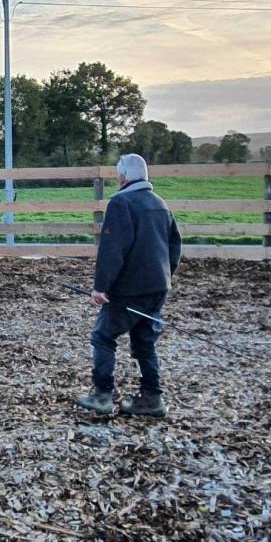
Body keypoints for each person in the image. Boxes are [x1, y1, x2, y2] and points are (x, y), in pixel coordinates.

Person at [78, 154, 182, 417]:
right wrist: (165, 276)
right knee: (145, 342)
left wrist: (101, 287)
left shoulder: (121, 203)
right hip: (158, 287)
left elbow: (113, 249)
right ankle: (152, 398)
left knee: (103, 336)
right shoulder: (160, 203)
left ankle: (101, 395)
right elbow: (174, 246)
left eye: (118, 174)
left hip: (129, 290)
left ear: (124, 176)